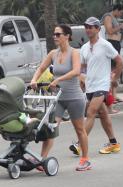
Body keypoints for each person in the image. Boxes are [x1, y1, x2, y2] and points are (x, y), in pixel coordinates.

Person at [30, 24, 91, 171]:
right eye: (54, 34)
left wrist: (58, 80)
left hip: (74, 97)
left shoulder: (74, 52)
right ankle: (41, 159)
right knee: (51, 127)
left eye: (58, 34)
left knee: (79, 129)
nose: (55, 37)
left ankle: (85, 159)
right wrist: (34, 79)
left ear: (67, 36)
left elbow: (77, 70)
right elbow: (41, 68)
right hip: (58, 99)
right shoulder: (53, 54)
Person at [69, 17, 123, 155]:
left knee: (91, 112)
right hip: (90, 86)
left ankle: (79, 144)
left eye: (91, 27)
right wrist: (81, 82)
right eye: (86, 26)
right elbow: (82, 68)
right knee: (103, 114)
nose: (88, 29)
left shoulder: (105, 45)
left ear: (98, 29)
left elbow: (119, 61)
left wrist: (114, 79)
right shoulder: (85, 48)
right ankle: (113, 143)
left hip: (102, 85)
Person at [101, 4, 123, 113]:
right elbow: (110, 31)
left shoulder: (114, 18)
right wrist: (121, 26)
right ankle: (109, 103)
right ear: (116, 10)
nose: (120, 15)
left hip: (116, 44)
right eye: (120, 12)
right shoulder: (108, 17)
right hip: (111, 43)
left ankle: (113, 99)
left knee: (115, 73)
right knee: (111, 74)